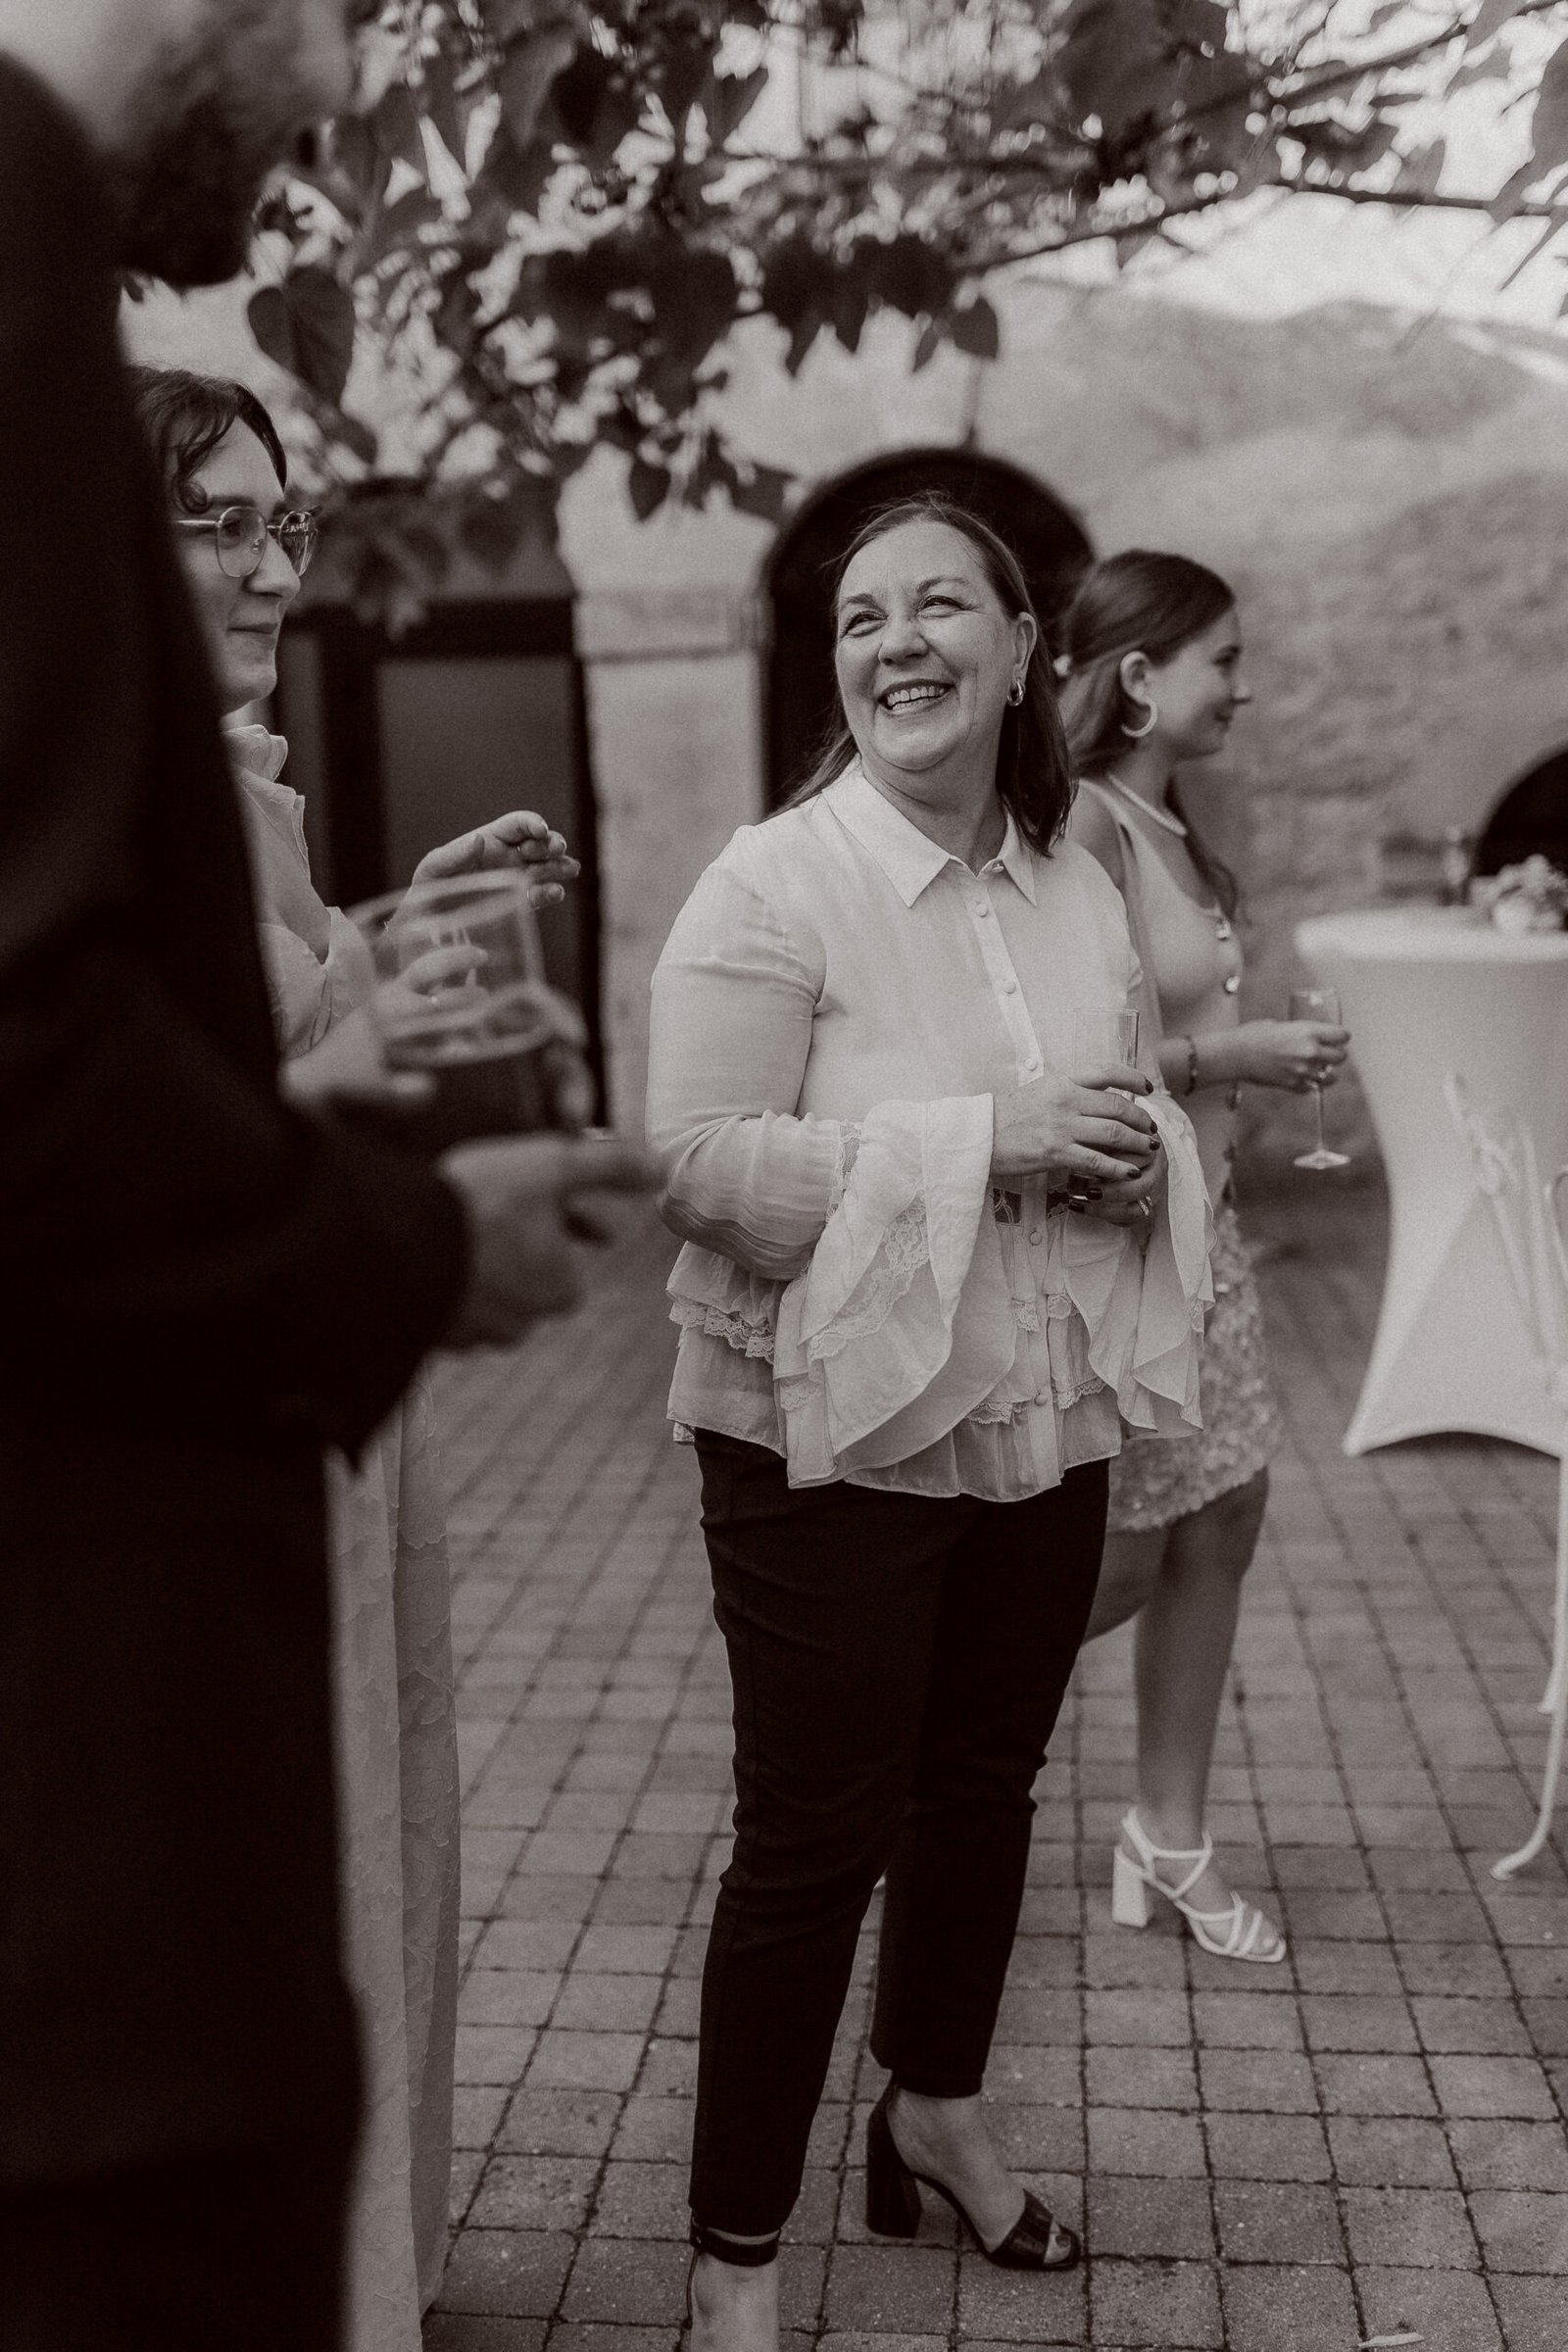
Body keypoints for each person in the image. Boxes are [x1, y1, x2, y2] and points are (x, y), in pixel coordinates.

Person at [0, 9, 651, 2347]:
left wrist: (369, 956)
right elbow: (54, 1079)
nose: (358, 86)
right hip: (106, 1631)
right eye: (356, 11)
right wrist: (418, 1226)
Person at [647, 495, 1215, 2352]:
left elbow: (1120, 1092)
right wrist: (993, 1142)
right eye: (861, 617)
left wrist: (1130, 1158)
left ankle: (936, 2110)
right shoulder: (773, 883)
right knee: (812, 1844)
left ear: (1025, 648)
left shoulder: (1071, 879)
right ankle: (736, 2257)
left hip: (1035, 1411)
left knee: (982, 1788)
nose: (896, 642)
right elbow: (702, 1167)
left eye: (940, 607)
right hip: (825, 1436)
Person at [130, 361, 589, 2351]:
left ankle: (358, 2268)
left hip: (332, 1413)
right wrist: (440, 1193)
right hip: (218, 1432)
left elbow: (288, 1019)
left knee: (364, 1830)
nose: (266, 567)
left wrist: (409, 921)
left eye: (281, 523)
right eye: (213, 523)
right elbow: (176, 1141)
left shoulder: (230, 782)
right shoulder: (101, 811)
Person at [1057, 550, 1349, 1964]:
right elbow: (1079, 1063)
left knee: (1227, 1514)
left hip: (1207, 1234)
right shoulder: (1088, 825)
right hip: (1126, 1249)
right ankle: (909, 1758)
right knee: (1111, 1559)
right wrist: (1241, 1055)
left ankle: (1167, 1835)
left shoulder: (1174, 826)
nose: (1243, 687)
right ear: (1138, 673)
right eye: (1223, 660)